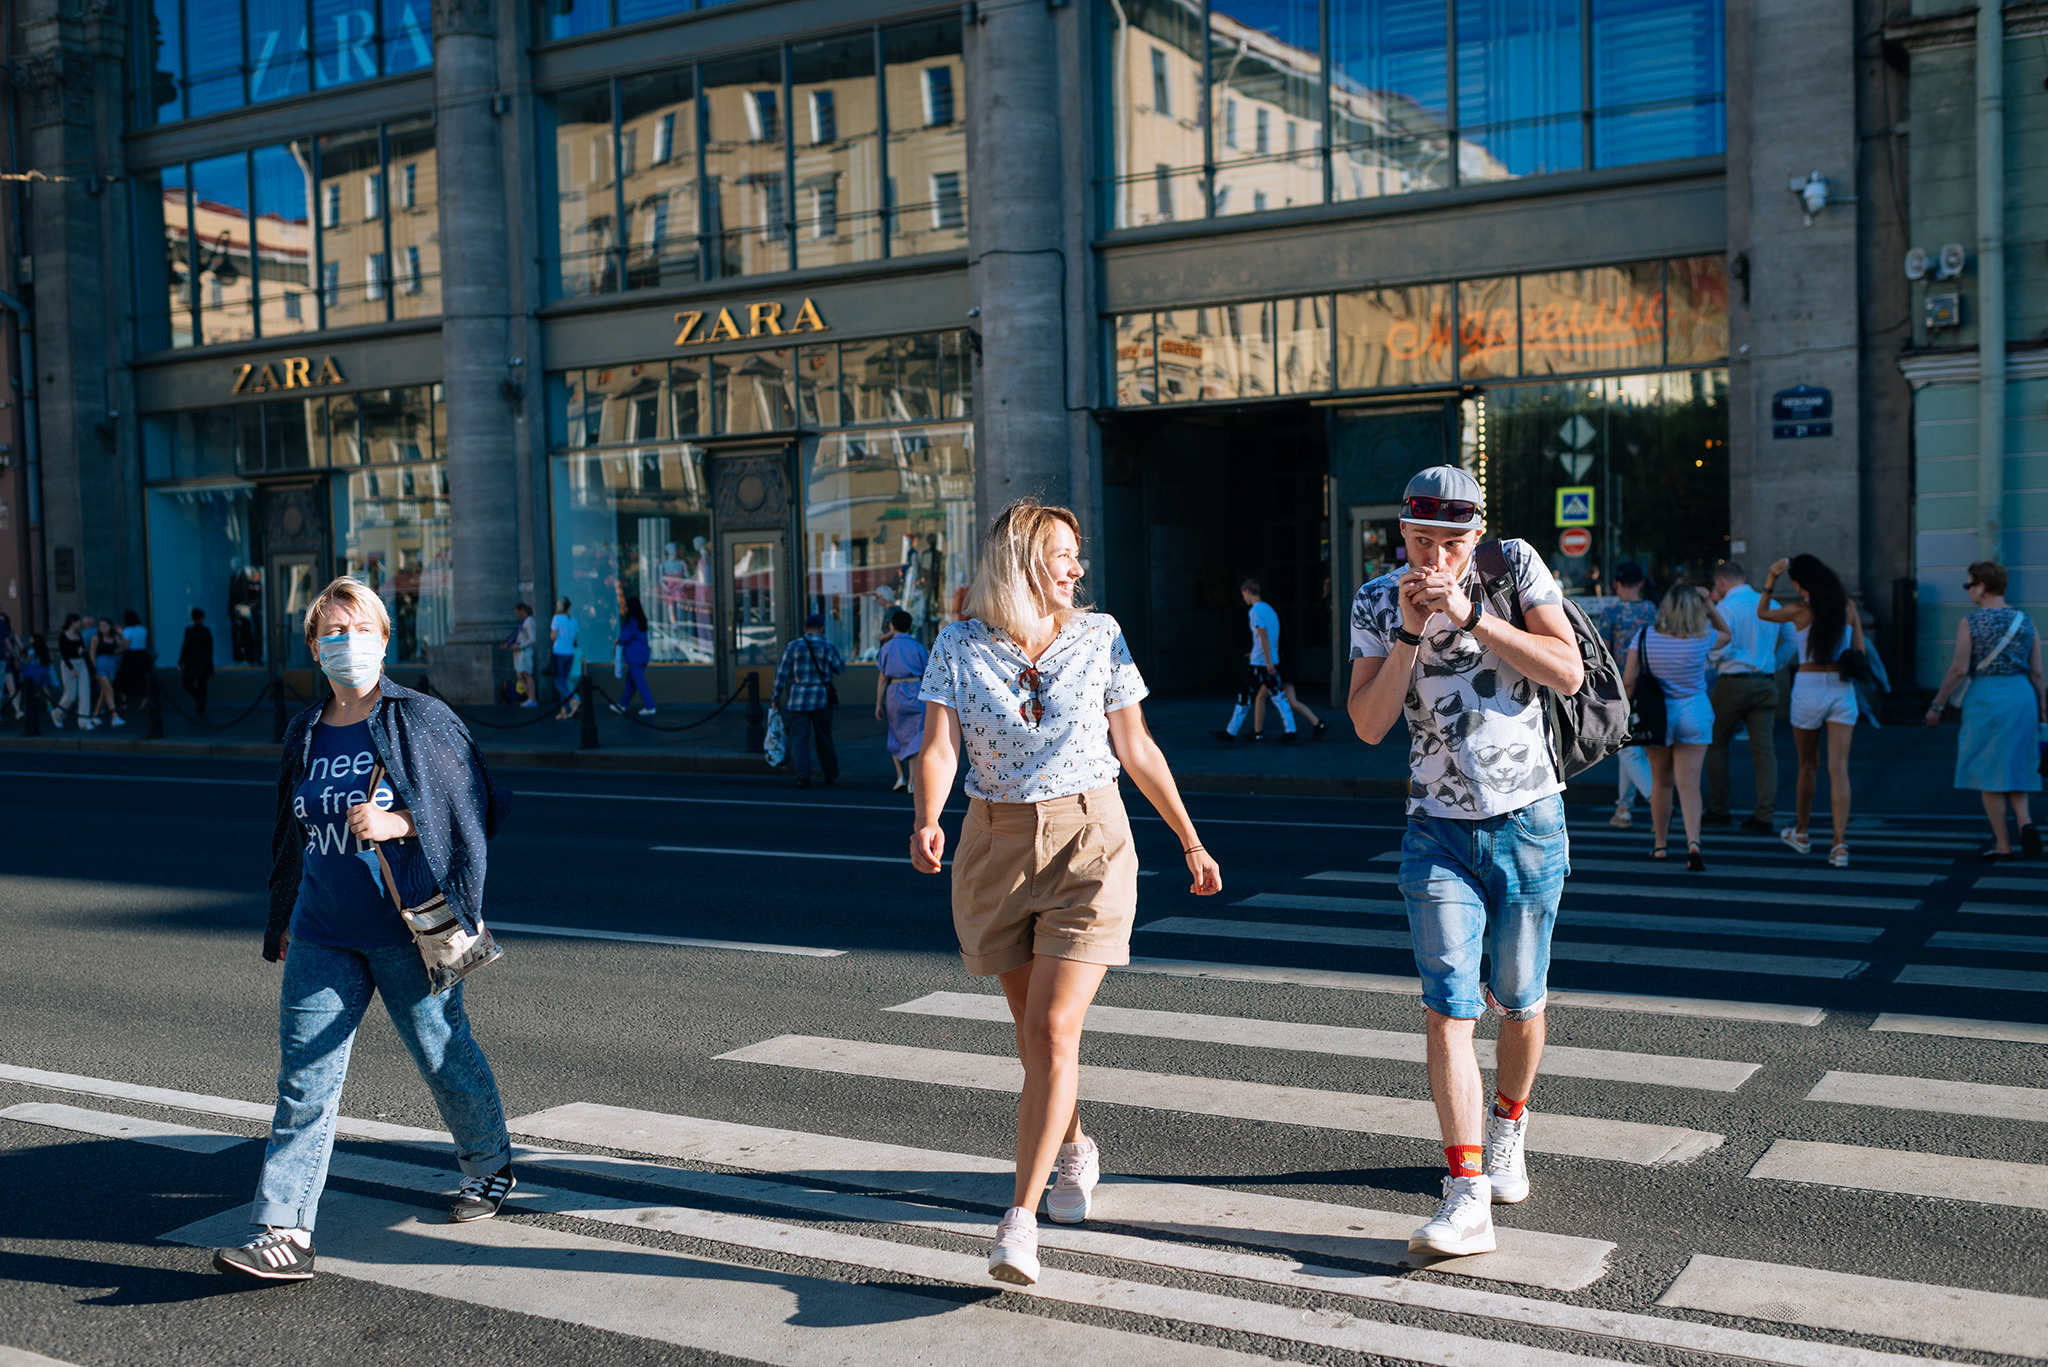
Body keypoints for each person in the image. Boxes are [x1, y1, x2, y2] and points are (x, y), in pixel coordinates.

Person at [912, 499, 1222, 1286]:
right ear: (1020, 562)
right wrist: (927, 818)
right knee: (1037, 1037)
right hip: (994, 843)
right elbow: (940, 746)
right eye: (1062, 555)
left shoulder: (1101, 634)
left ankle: (1018, 1222)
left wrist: (1188, 837)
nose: (1077, 569)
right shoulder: (958, 642)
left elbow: (1136, 744)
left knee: (1052, 1027)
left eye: (1078, 555)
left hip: (1090, 837)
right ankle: (1076, 1146)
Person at [212, 576, 514, 1282]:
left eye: (359, 629)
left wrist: (398, 822)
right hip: (322, 929)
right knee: (303, 1083)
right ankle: (283, 1231)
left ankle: (488, 1161)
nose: (346, 643)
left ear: (384, 637)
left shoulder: (420, 719)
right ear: (314, 647)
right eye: (331, 633)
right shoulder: (307, 729)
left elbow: (480, 806)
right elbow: (293, 835)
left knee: (443, 1053)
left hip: (405, 927)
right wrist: (283, 914)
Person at [1345, 466, 1584, 1259]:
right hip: (1435, 828)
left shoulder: (1512, 566)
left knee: (1519, 1001)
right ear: (1401, 535)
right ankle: (1466, 1189)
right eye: (1420, 541)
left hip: (1528, 820)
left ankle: (1509, 1124)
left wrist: (1473, 613)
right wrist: (1413, 633)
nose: (1434, 557)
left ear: (1476, 535)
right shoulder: (1380, 600)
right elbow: (1369, 726)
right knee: (1449, 1006)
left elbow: (1567, 669)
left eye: (1451, 542)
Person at [1925, 561, 2045, 859]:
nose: (1968, 592)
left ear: (1980, 587)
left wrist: (1937, 705)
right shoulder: (2026, 621)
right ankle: (2026, 822)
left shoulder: (1972, 622)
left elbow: (1957, 670)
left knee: (1988, 769)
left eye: (1968, 585)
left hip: (1986, 698)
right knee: (2015, 764)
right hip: (2021, 696)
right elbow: (2038, 672)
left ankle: (2003, 844)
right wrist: (2043, 707)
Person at [1758, 554, 1865, 867]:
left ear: (1799, 583)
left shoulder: (1800, 611)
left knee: (1807, 765)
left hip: (1808, 688)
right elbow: (1859, 650)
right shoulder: (1847, 607)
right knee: (1839, 768)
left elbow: (1763, 613)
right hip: (1841, 689)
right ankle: (1839, 845)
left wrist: (1770, 579)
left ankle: (1802, 832)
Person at [1622, 585, 1731, 871]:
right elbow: (1727, 634)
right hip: (1694, 712)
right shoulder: (1703, 637)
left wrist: (1620, 717)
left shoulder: (1644, 636)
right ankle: (1693, 842)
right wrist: (1709, 603)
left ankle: (1660, 845)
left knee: (1661, 782)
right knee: (1690, 784)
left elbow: (1630, 681)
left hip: (1658, 714)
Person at [1704, 562, 1792, 833]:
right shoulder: (1771, 604)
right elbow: (1791, 641)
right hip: (1765, 682)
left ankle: (1720, 809)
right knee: (1764, 752)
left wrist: (1721, 659)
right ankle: (1764, 814)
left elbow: (1716, 649)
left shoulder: (1725, 608)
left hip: (1733, 683)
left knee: (1716, 744)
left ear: (1720, 584)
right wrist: (1772, 664)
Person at [1211, 578, 1324, 744]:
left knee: (1247, 696)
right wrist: (1271, 658)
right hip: (1268, 660)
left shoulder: (1255, 611)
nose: (1243, 598)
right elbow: (1273, 639)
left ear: (1248, 592)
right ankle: (1289, 730)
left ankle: (1231, 732)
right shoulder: (1270, 610)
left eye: (1243, 594)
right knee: (1279, 698)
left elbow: (1263, 636)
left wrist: (1267, 660)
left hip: (1260, 663)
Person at [1598, 563, 1658, 828]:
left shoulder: (1611, 612)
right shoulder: (1652, 610)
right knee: (1633, 746)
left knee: (1627, 749)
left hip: (1623, 684)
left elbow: (1604, 652)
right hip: (1652, 684)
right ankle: (1623, 808)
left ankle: (1656, 798)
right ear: (1641, 584)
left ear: (1617, 585)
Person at [773, 613, 845, 788]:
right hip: (821, 697)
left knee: (799, 739)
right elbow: (839, 668)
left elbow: (781, 674)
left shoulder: (793, 646)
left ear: (805, 629)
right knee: (824, 738)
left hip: (798, 699)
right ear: (822, 629)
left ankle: (803, 775)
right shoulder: (828, 646)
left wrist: (776, 698)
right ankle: (830, 772)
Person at [875, 608, 929, 793]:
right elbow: (928, 674)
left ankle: (900, 777)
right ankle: (913, 781)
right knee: (916, 735)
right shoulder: (919, 647)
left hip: (894, 692)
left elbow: (882, 679)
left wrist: (878, 704)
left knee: (896, 733)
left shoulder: (887, 648)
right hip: (916, 691)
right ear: (911, 627)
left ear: (891, 626)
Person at [612, 595, 655, 716]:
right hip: (642, 655)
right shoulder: (642, 620)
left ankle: (650, 706)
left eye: (625, 606)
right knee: (631, 682)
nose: (624, 608)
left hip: (634, 656)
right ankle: (622, 705)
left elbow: (624, 638)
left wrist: (617, 640)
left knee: (639, 682)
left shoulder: (631, 621)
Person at [55, 614, 90, 729]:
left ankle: (83, 721)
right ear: (73, 622)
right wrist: (71, 668)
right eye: (78, 621)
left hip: (81, 662)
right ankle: (57, 715)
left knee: (85, 692)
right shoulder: (63, 636)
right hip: (69, 664)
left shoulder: (79, 635)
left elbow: (83, 651)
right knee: (70, 695)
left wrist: (82, 651)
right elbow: (64, 654)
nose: (80, 624)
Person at [89, 617, 125, 728]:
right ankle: (114, 715)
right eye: (100, 626)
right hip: (100, 665)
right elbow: (92, 654)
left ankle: (95, 714)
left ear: (110, 626)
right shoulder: (96, 638)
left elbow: (124, 646)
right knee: (109, 689)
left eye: (105, 626)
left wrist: (121, 633)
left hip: (111, 665)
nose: (102, 628)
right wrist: (94, 670)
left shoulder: (114, 637)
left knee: (105, 692)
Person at [179, 608, 216, 713]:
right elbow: (210, 646)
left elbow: (185, 646)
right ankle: (201, 702)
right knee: (202, 683)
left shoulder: (190, 631)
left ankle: (200, 701)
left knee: (189, 682)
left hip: (193, 660)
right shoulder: (205, 631)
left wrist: (181, 661)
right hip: (203, 660)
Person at [503, 603, 537, 708]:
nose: (517, 614)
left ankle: (532, 699)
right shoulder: (524, 621)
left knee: (527, 674)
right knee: (520, 675)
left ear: (522, 610)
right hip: (520, 653)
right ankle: (529, 697)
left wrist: (520, 646)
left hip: (525, 652)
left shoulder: (529, 621)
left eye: (517, 612)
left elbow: (532, 639)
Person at [549, 597, 578, 707]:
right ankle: (564, 710)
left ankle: (574, 700)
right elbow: (575, 639)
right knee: (564, 681)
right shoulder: (573, 620)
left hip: (559, 652)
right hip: (570, 652)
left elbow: (553, 636)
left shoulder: (557, 618)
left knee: (558, 682)